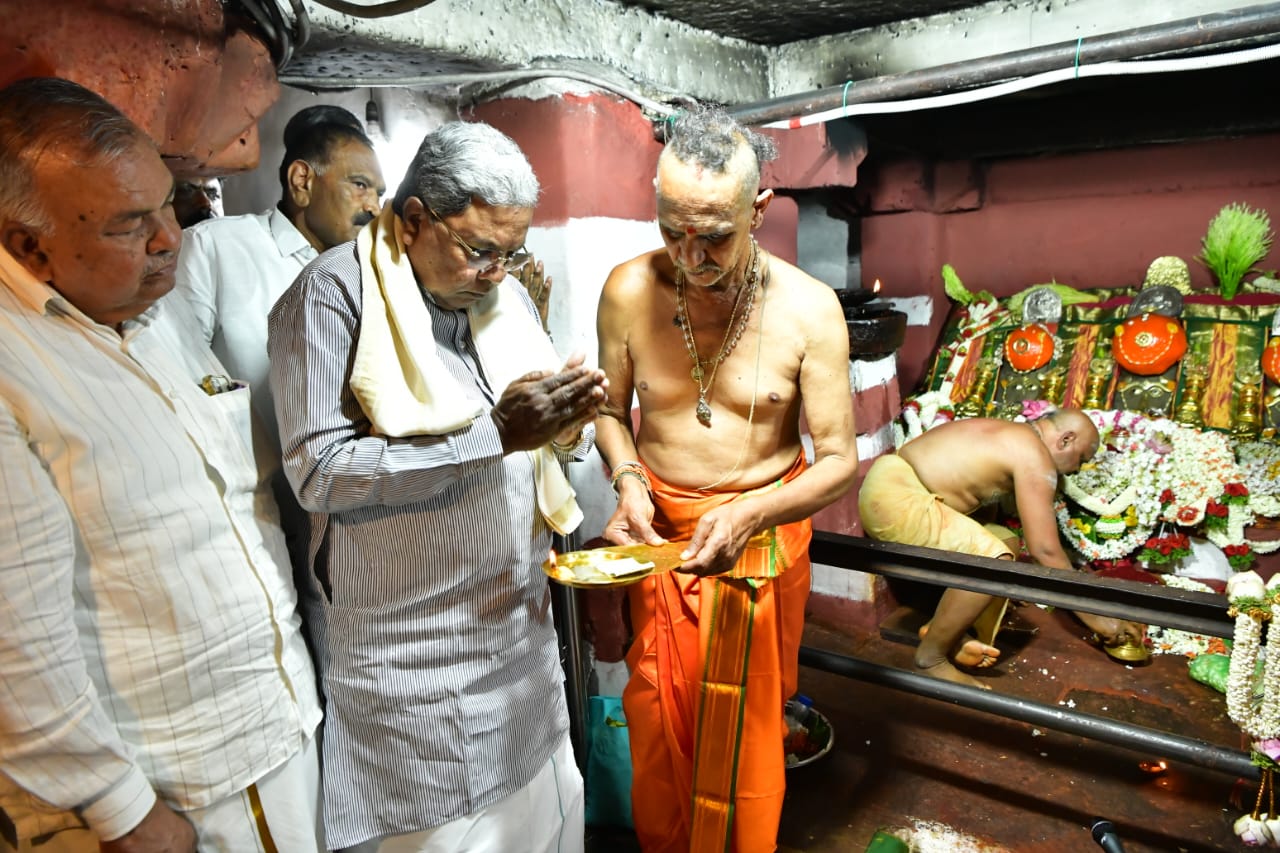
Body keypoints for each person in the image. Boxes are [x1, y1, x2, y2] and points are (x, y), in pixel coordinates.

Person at [0, 77, 322, 852]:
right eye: (128, 225)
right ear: (29, 246)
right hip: (172, 786)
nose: (169, 239)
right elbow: (14, 633)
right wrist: (119, 807)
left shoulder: (152, 309)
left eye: (168, 205)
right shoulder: (15, 365)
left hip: (278, 724)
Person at [267, 120, 604, 852]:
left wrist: (565, 423)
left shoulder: (501, 297)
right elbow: (320, 473)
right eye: (479, 250)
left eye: (511, 253)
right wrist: (497, 434)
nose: (497, 273)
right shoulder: (332, 295)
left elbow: (532, 445)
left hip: (520, 642)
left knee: (548, 829)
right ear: (415, 218)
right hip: (415, 668)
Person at [594, 104, 858, 853]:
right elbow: (610, 413)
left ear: (759, 210)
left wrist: (751, 514)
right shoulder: (627, 291)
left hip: (761, 545)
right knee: (658, 716)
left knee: (747, 731)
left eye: (713, 235)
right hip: (662, 539)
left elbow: (839, 461)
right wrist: (629, 480)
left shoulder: (810, 309)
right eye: (671, 229)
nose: (689, 254)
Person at [858, 409, 1148, 689]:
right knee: (991, 559)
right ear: (1066, 440)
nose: (1076, 470)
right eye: (1081, 459)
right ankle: (930, 660)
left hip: (894, 486)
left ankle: (945, 631)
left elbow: (977, 506)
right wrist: (1101, 621)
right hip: (897, 498)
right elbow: (1045, 552)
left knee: (1006, 543)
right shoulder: (1034, 455)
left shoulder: (1013, 434)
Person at [175, 104, 385, 451]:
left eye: (379, 194)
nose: (374, 208)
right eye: (360, 185)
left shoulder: (372, 273)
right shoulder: (215, 248)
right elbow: (177, 379)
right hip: (250, 476)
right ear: (302, 181)